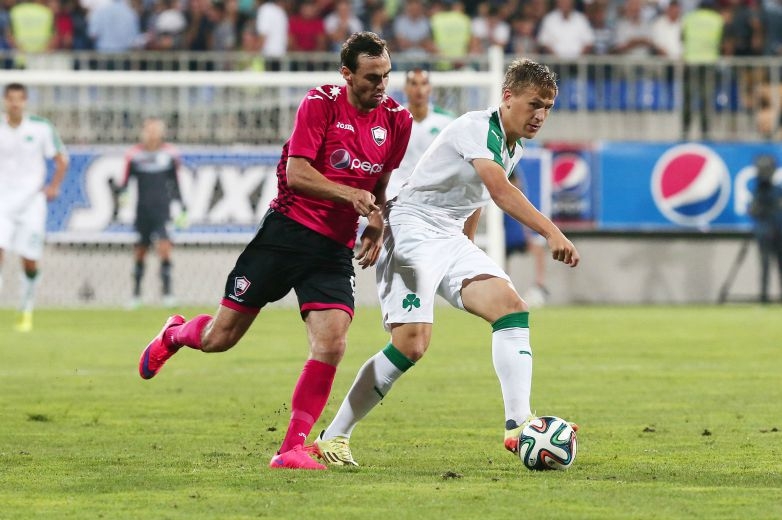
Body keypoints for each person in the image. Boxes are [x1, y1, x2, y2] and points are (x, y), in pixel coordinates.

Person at [137, 31, 413, 471]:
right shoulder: (320, 103)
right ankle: (174, 334)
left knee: (332, 343)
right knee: (220, 339)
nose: (382, 86)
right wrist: (349, 195)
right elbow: (297, 173)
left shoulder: (397, 119)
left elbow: (379, 184)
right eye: (372, 77)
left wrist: (376, 223)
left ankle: (290, 449)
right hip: (286, 234)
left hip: (333, 248)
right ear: (346, 74)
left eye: (386, 76)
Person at [311, 58, 580, 467]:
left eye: (548, 107)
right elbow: (500, 191)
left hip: (449, 237)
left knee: (511, 309)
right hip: (410, 228)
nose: (540, 115)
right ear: (508, 97)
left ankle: (518, 424)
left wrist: (466, 248)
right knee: (411, 344)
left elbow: (478, 197)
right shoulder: (477, 127)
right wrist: (551, 231)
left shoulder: (513, 146)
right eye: (534, 104)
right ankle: (333, 436)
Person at [0, 82, 69, 332]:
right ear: (5, 101)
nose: (15, 103)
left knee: (29, 260)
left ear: (25, 101)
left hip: (31, 202)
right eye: (11, 98)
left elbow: (62, 159)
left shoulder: (40, 127)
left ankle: (26, 307)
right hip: (2, 201)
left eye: (19, 98)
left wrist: (54, 186)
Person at [119, 117, 185, 310]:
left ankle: (168, 294)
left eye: (156, 130)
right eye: (149, 130)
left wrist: (182, 207)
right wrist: (123, 196)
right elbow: (125, 182)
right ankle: (136, 295)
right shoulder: (134, 155)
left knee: (164, 249)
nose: (152, 134)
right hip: (143, 211)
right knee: (140, 251)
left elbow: (176, 183)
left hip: (162, 211)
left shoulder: (169, 154)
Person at [385, 68, 454, 201]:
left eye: (424, 83)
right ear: (405, 88)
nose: (419, 89)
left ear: (430, 88)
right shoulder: (391, 119)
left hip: (433, 193)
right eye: (414, 84)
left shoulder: (446, 121)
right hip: (395, 192)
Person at [748, 154, 782, 304]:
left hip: (779, 231)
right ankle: (764, 297)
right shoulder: (757, 191)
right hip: (764, 232)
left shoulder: (778, 190)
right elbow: (752, 211)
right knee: (765, 264)